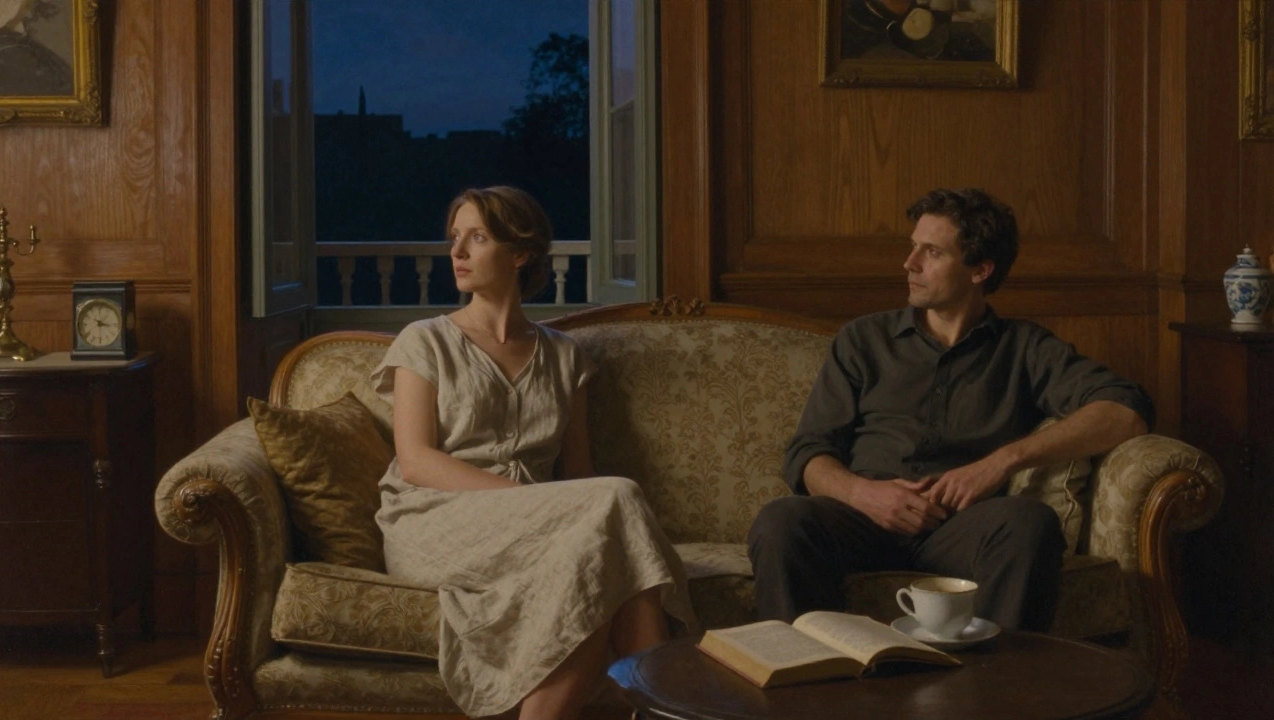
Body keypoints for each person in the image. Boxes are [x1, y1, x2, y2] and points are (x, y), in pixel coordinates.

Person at [747, 187, 1154, 632]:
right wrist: (863, 494)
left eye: (932, 252)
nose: (910, 263)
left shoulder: (1024, 348)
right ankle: (802, 681)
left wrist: (1002, 462)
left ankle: (990, 691)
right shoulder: (863, 340)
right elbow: (808, 451)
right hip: (861, 518)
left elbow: (1125, 410)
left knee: (1030, 523)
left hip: (960, 527)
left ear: (980, 269)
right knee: (781, 521)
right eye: (912, 246)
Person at [371, 186, 694, 720]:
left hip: (540, 530)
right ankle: (662, 707)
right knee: (618, 499)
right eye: (456, 238)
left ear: (520, 254)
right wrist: (531, 503)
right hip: (431, 519)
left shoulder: (566, 357)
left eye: (477, 238)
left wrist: (551, 514)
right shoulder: (423, 340)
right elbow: (416, 462)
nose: (458, 253)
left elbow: (580, 475)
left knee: (595, 567)